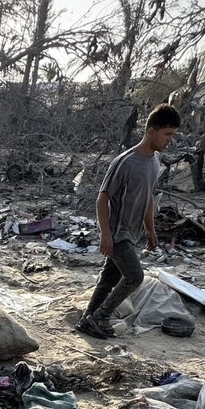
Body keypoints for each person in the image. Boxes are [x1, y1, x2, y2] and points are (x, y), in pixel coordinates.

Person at [76, 103, 181, 339]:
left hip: (132, 232)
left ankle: (88, 320)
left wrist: (150, 229)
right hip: (117, 232)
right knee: (135, 277)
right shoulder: (125, 161)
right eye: (167, 134)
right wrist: (105, 234)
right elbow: (102, 199)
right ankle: (100, 317)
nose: (170, 140)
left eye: (173, 135)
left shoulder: (155, 161)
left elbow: (148, 197)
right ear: (151, 131)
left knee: (109, 279)